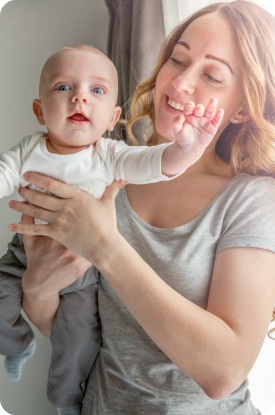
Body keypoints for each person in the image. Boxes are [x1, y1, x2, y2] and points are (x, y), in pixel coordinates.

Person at [6, 0, 275, 414]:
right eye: (178, 59)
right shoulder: (115, 169)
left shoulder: (251, 200)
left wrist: (104, 246)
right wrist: (37, 284)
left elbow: (223, 372)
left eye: (211, 75)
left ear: (242, 107)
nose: (180, 83)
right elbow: (75, 328)